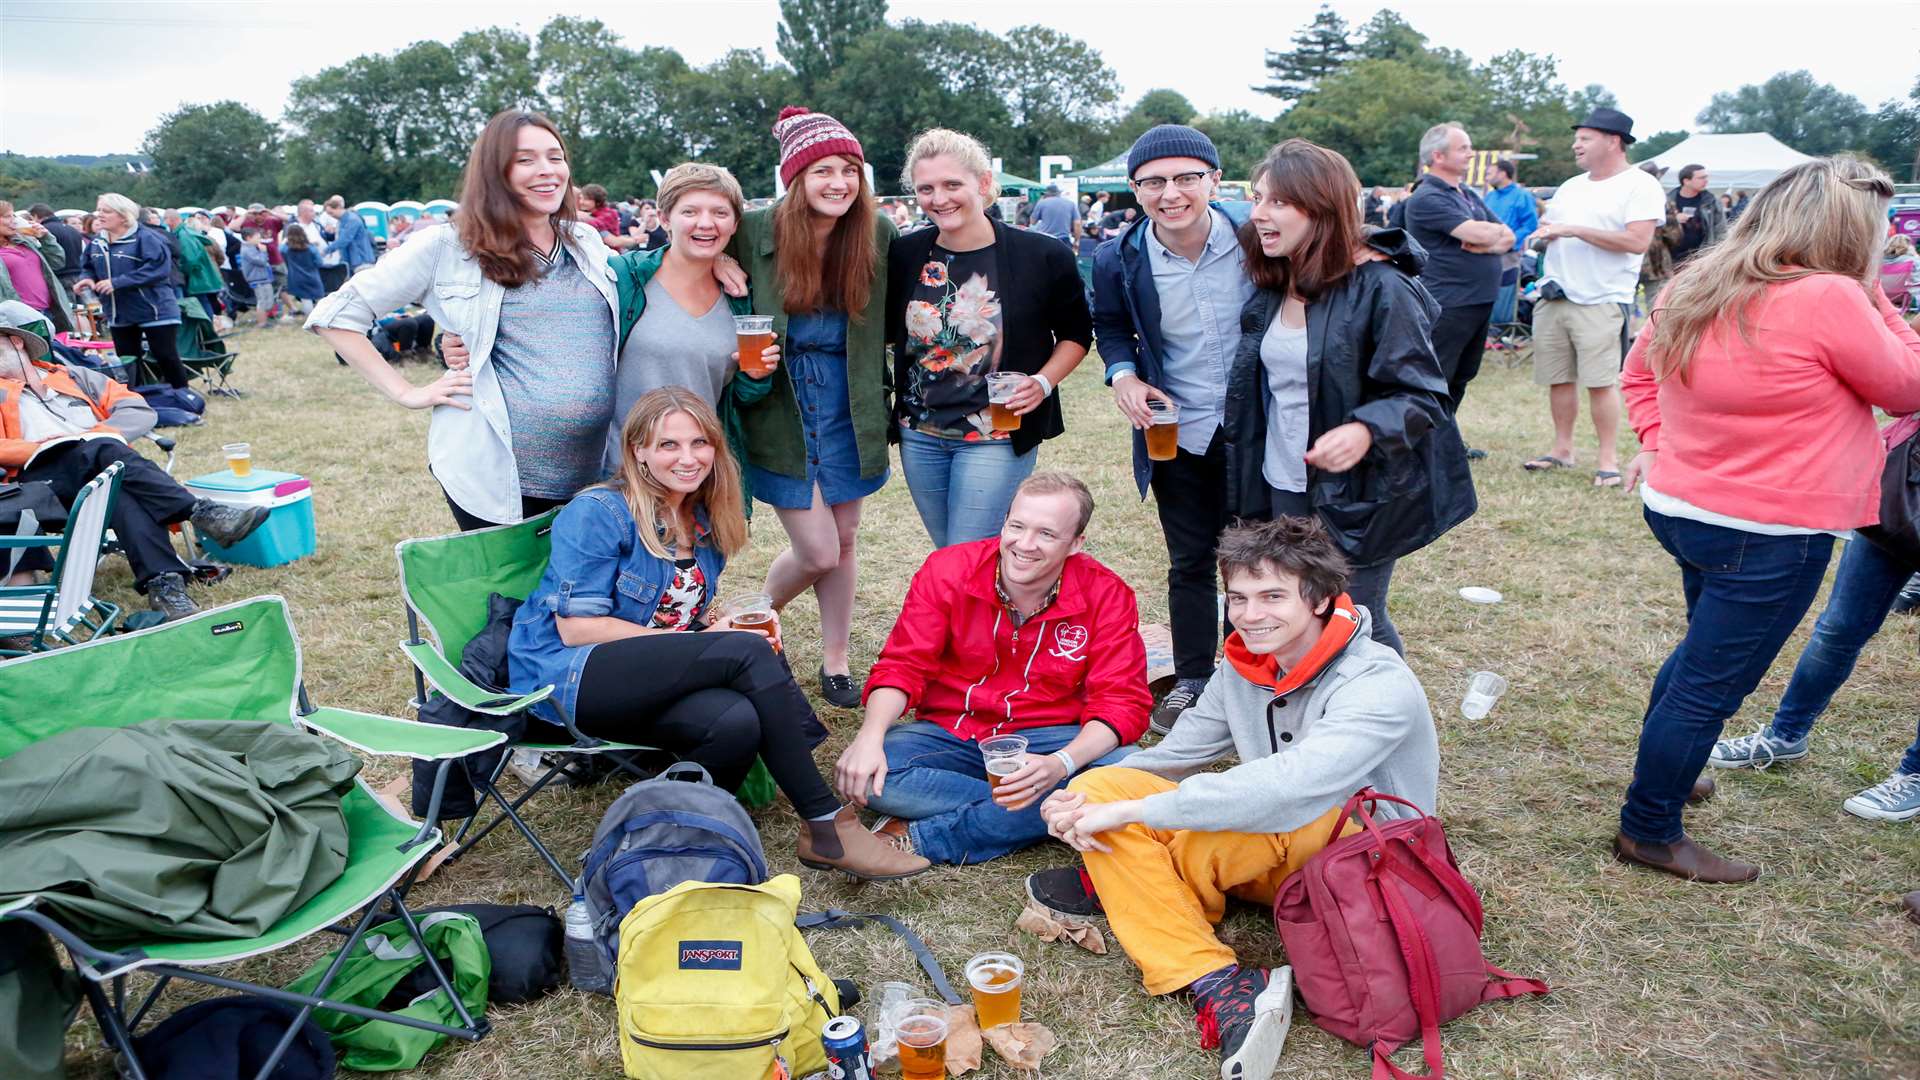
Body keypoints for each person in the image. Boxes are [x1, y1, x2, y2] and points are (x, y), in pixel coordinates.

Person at [1027, 516, 1439, 1080]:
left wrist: (1131, 814)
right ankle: (1217, 980)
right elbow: (1173, 754)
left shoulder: (1375, 681)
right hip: (1273, 844)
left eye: (1272, 596)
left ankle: (1142, 885)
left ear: (1319, 599)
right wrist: (1075, 799)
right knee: (1102, 783)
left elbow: (1293, 787)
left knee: (1249, 810)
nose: (1250, 615)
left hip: (1364, 857)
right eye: (1238, 598)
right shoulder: (1246, 665)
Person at [1613, 155, 1920, 883]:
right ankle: (1649, 828)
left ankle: (1672, 773)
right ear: (1846, 230)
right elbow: (1909, 387)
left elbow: (1638, 376)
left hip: (1687, 512)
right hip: (1770, 531)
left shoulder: (1702, 277)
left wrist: (1658, 446)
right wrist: (1879, 302)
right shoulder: (1829, 298)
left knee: (1698, 662)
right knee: (1710, 682)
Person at [507, 386, 927, 880]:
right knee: (743, 653)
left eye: (699, 443)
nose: (688, 458)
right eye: (668, 445)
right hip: (569, 679)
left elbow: (673, 619)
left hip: (641, 680)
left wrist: (708, 630)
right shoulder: (600, 512)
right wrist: (706, 645)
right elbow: (577, 628)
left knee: (736, 722)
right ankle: (826, 823)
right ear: (638, 451)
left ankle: (679, 827)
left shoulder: (703, 521)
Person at [309, 109, 621, 531]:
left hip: (593, 473)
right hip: (497, 482)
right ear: (495, 171)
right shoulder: (448, 246)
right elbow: (336, 315)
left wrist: (720, 262)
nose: (546, 171)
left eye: (555, 156)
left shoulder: (585, 242)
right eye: (525, 159)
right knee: (507, 596)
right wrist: (407, 392)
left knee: (581, 593)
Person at [1226, 138, 1473, 655]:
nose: (1259, 215)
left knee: (1354, 617)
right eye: (1256, 199)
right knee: (1300, 614)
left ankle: (1389, 722)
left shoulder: (1382, 286)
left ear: (1321, 207)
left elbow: (1424, 395)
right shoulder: (1278, 278)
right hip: (1283, 478)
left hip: (1359, 489)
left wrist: (1364, 429)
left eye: (1277, 202)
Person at [834, 472, 1151, 865]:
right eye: (1016, 526)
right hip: (955, 731)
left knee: (1130, 771)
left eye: (1047, 534)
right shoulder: (947, 569)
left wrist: (1060, 764)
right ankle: (1058, 811)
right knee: (875, 770)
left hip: (1050, 738)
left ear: (1075, 544)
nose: (1025, 544)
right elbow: (903, 664)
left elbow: (1121, 701)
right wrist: (868, 737)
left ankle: (921, 837)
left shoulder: (1107, 593)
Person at [728, 108, 895, 708]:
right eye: (823, 169)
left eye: (850, 170)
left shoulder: (875, 233)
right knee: (818, 548)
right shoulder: (752, 231)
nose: (839, 183)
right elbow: (672, 258)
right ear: (795, 178)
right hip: (780, 405)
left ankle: (836, 660)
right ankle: (752, 615)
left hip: (851, 402)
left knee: (845, 537)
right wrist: (715, 260)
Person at [1092, 124, 1255, 734]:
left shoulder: (1255, 235)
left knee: (1260, 558)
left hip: (1258, 429)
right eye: (1153, 182)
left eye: (1187, 177)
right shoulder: (1119, 256)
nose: (1171, 193)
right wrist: (1123, 376)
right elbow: (1109, 325)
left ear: (1215, 180)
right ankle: (1194, 676)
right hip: (1176, 429)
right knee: (1190, 559)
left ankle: (1255, 673)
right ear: (1135, 189)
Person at [886, 128, 1093, 547]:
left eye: (952, 184)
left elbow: (1075, 333)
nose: (939, 198)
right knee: (951, 557)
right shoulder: (906, 254)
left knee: (967, 551)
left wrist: (1042, 382)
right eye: (926, 188)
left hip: (996, 433)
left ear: (982, 184)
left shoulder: (1042, 254)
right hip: (920, 434)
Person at [0, 307, 267, 620]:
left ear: (16, 342)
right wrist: (43, 446)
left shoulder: (75, 377)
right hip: (42, 482)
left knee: (120, 489)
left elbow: (136, 409)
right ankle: (200, 512)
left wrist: (94, 436)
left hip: (104, 468)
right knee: (105, 457)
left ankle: (165, 588)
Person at [604, 163, 772, 499]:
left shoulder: (738, 296)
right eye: (690, 211)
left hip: (696, 476)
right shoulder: (626, 278)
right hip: (623, 475)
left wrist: (756, 376)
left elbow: (727, 396)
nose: (706, 223)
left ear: (735, 223)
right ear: (665, 219)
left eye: (720, 212)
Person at [1521, 108, 1664, 488]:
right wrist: (1542, 236)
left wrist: (1575, 230)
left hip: (1601, 299)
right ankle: (1562, 450)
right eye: (1577, 138)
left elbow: (1637, 242)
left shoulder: (1640, 185)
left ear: (1613, 142)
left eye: (1584, 138)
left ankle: (1607, 461)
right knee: (1558, 379)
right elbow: (1552, 229)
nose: (1575, 144)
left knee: (1601, 383)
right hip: (1555, 296)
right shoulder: (1570, 187)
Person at [1403, 122, 1513, 431]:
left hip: (1477, 300)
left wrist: (1483, 243)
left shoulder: (1466, 193)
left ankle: (1445, 443)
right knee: (1437, 375)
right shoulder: (1426, 196)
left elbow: (1509, 235)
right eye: (1463, 148)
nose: (1470, 153)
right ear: (1438, 156)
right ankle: (1423, 443)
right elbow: (1477, 231)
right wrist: (1486, 236)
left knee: (1463, 374)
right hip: (1449, 302)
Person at [70, 193, 191, 390]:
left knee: (165, 356)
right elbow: (88, 265)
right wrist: (87, 278)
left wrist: (117, 282)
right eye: (98, 210)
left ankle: (183, 397)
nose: (99, 215)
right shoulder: (97, 242)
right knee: (128, 361)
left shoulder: (147, 238)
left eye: (106, 211)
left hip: (155, 309)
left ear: (123, 215)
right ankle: (139, 400)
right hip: (119, 312)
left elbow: (158, 270)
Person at [0, 203, 73, 337]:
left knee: (53, 356)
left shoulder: (24, 241)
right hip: (22, 318)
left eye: (13, 216)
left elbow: (57, 262)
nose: (14, 220)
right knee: (37, 356)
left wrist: (45, 238)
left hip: (49, 311)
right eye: (7, 216)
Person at [1481, 160, 1538, 330]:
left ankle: (1502, 328)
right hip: (1485, 252)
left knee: (1504, 291)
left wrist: (1510, 240)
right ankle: (1485, 328)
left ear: (1502, 173)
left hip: (1508, 254)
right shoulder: (1489, 196)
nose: (1487, 177)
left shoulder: (1522, 196)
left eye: (1490, 173)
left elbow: (1530, 225)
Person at [1665, 164, 1726, 267]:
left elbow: (1721, 231)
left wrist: (1714, 257)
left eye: (1706, 177)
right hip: (1671, 259)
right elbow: (1654, 228)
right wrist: (1673, 219)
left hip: (1701, 259)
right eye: (1701, 178)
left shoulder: (1711, 202)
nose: (1706, 181)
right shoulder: (1666, 201)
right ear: (1686, 181)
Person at [27, 204, 84, 291]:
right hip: (79, 276)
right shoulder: (72, 229)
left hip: (59, 277)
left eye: (31, 219)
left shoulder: (43, 232)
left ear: (35, 216)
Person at [322, 196, 377, 275]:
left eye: (331, 213)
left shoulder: (352, 220)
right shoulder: (341, 221)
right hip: (352, 261)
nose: (331, 216)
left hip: (361, 261)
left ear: (338, 207)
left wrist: (325, 251)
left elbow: (344, 240)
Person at [280, 226, 324, 316]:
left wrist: (283, 242)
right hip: (312, 276)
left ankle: (310, 319)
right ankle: (321, 317)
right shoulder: (311, 248)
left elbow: (280, 252)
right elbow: (320, 263)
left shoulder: (286, 249)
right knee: (319, 298)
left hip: (296, 277)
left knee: (305, 299)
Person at [238, 229, 275, 327]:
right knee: (262, 301)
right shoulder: (247, 249)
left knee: (268, 300)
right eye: (258, 237)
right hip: (257, 279)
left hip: (262, 278)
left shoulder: (251, 247)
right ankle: (262, 323)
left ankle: (264, 320)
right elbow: (261, 261)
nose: (260, 240)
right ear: (248, 238)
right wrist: (263, 252)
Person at [1027, 183, 1081, 247]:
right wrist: (1076, 240)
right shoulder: (1071, 204)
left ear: (1046, 193)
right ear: (1059, 193)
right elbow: (1077, 223)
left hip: (1045, 238)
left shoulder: (1042, 203)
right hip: (1063, 239)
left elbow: (1032, 222)